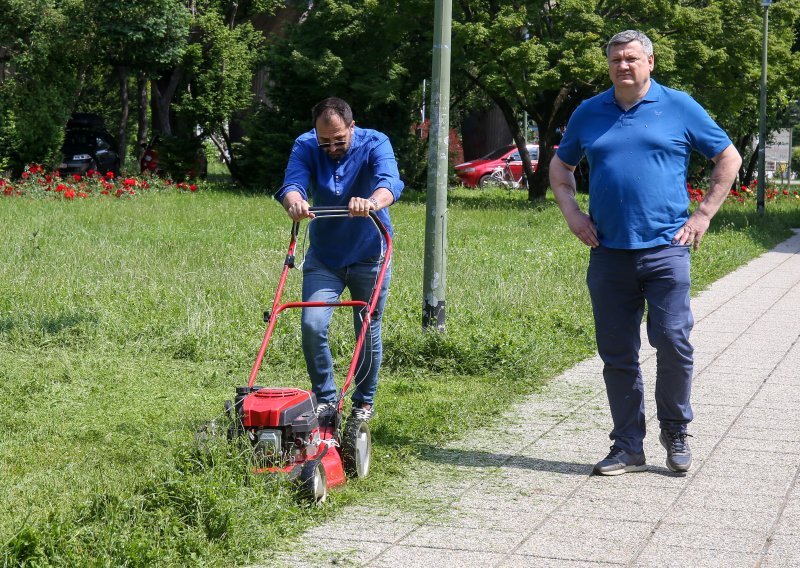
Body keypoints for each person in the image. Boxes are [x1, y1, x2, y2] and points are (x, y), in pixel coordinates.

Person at [549, 30, 742, 475]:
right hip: (609, 253)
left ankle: (675, 431)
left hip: (666, 251)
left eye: (632, 58)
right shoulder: (589, 112)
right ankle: (628, 446)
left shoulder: (679, 106)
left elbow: (728, 158)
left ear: (650, 62)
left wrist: (703, 215)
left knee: (673, 341)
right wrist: (573, 215)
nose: (623, 66)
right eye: (616, 59)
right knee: (617, 353)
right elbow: (561, 167)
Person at [275, 97, 404, 424]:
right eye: (325, 141)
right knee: (312, 323)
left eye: (339, 140)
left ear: (352, 127)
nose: (331, 147)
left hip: (369, 254)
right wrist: (295, 201)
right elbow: (292, 183)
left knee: (367, 326)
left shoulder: (375, 142)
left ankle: (363, 403)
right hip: (325, 257)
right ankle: (326, 401)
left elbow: (390, 182)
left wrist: (372, 202)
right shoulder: (305, 145)